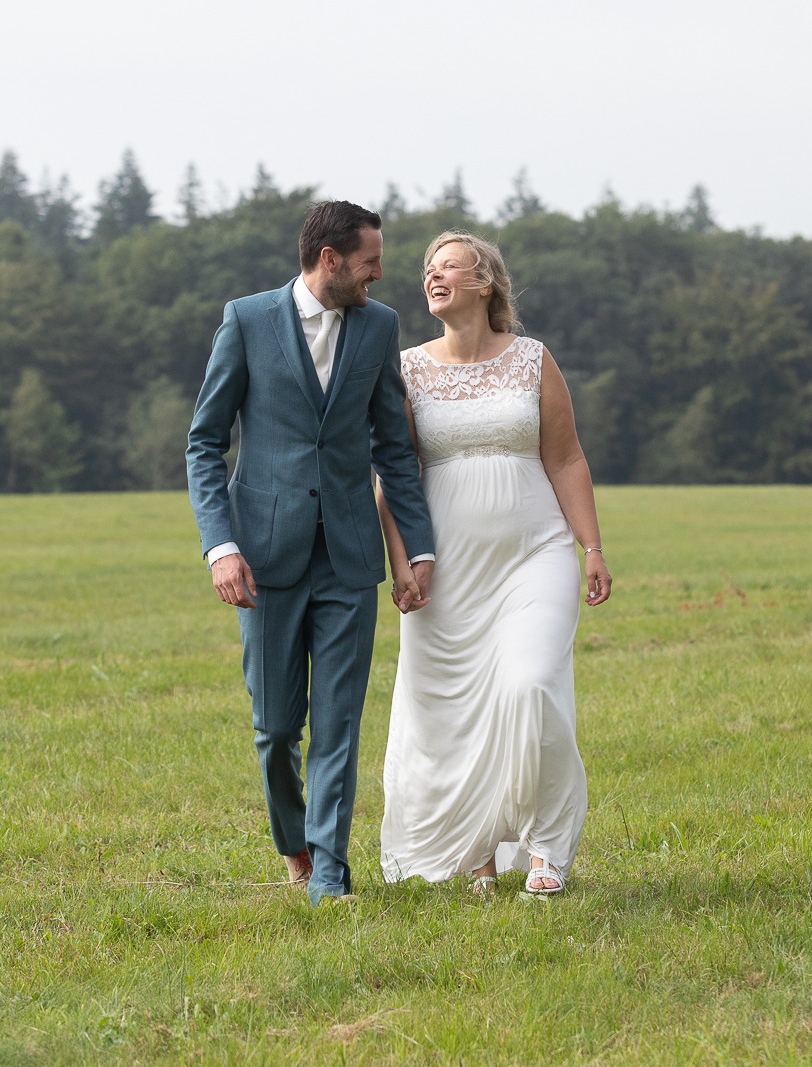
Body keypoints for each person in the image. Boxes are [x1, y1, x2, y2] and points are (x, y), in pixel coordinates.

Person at [186, 201, 435, 905]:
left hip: (350, 557)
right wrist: (221, 546)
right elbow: (204, 443)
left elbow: (394, 445)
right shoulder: (246, 319)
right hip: (263, 558)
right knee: (274, 727)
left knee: (338, 722)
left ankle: (330, 871)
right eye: (369, 264)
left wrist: (416, 548)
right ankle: (293, 843)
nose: (378, 278)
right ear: (330, 259)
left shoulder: (378, 327)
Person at [376, 230, 612, 896]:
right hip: (443, 567)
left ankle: (545, 845)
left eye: (449, 266)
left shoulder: (533, 360)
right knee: (451, 713)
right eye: (428, 269)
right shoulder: (407, 368)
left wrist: (591, 546)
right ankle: (479, 848)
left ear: (486, 283)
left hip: (534, 554)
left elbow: (565, 458)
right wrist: (402, 563)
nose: (433, 275)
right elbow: (396, 474)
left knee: (530, 685)